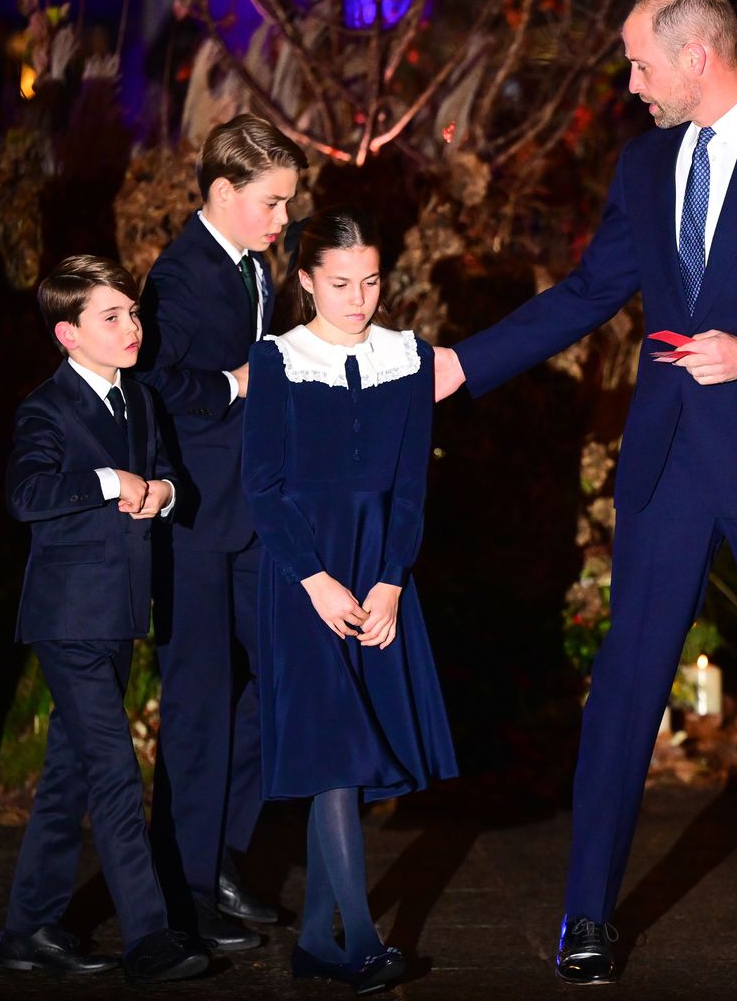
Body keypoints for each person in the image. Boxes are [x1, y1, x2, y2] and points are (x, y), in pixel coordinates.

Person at [434, 0, 737, 990]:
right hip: (664, 467)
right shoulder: (645, 164)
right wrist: (460, 366)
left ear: (697, 57)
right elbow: (590, 291)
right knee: (622, 695)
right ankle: (586, 916)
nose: (628, 83)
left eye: (640, 63)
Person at [242, 205, 458, 995]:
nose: (358, 297)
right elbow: (261, 490)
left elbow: (410, 484)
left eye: (369, 281)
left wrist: (392, 579)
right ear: (304, 281)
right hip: (303, 577)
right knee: (335, 752)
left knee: (359, 752)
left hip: (379, 573)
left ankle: (312, 945)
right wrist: (315, 580)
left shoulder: (409, 358)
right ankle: (362, 943)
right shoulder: (277, 361)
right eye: (339, 283)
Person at [0, 255, 208, 984]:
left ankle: (29, 928)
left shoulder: (138, 400)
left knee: (70, 776)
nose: (131, 327)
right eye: (111, 317)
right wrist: (106, 482)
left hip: (119, 614)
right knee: (117, 771)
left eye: (133, 313)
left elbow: (165, 475)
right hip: (67, 618)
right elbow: (25, 493)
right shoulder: (45, 408)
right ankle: (149, 938)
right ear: (68, 334)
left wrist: (163, 495)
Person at [136, 113, 308, 948]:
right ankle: (184, 890)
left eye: (287, 204)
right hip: (198, 523)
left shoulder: (253, 263)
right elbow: (158, 382)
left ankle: (223, 857)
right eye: (272, 203)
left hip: (250, 514)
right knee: (201, 709)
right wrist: (239, 384)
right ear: (222, 192)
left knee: (273, 691)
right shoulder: (177, 276)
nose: (283, 219)